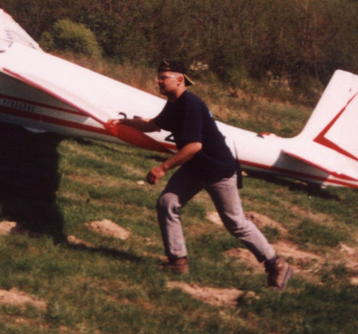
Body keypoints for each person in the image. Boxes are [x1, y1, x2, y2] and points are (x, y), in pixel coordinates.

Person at [108, 60, 291, 288]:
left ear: (179, 79)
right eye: (159, 76)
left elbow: (194, 146)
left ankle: (276, 265)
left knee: (235, 222)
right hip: (194, 168)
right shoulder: (174, 103)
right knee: (167, 202)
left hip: (217, 171)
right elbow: (154, 125)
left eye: (163, 77)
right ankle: (178, 261)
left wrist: (162, 167)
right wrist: (124, 122)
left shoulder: (191, 104)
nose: (158, 81)